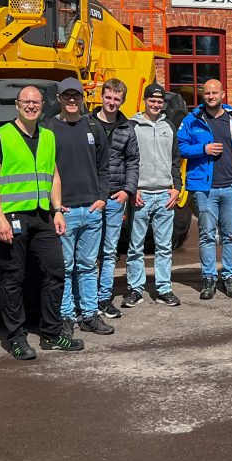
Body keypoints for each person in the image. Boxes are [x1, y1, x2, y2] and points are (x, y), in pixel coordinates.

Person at [0, 85, 82, 358]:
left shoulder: (49, 136)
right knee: (13, 278)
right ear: (17, 104)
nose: (31, 106)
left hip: (42, 216)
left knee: (55, 272)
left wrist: (58, 210)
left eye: (36, 102)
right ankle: (16, 337)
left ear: (42, 105)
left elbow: (55, 176)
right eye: (26, 102)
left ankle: (50, 334)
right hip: (12, 217)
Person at [49, 77, 113, 336]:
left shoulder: (93, 127)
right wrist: (54, 206)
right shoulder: (49, 129)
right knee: (65, 267)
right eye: (67, 96)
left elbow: (104, 166)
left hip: (91, 209)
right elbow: (44, 170)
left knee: (88, 266)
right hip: (65, 211)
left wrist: (102, 197)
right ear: (59, 99)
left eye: (76, 95)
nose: (72, 100)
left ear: (82, 98)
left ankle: (89, 314)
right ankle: (66, 316)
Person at [178, 78, 232, 300]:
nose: (211, 96)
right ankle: (208, 278)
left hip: (230, 186)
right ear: (202, 95)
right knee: (207, 235)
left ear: (222, 94)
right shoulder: (192, 119)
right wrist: (203, 148)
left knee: (230, 235)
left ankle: (229, 277)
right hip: (204, 187)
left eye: (214, 93)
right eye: (207, 93)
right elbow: (181, 147)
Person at [123, 83, 183, 308]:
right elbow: (127, 159)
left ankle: (164, 288)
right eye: (152, 100)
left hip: (165, 194)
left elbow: (175, 160)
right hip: (141, 195)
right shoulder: (133, 125)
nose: (156, 104)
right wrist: (132, 188)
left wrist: (176, 187)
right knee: (135, 245)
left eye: (159, 101)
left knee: (164, 246)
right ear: (145, 101)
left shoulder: (169, 126)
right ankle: (135, 288)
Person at [91, 78, 139, 320]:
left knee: (109, 251)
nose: (111, 102)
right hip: (90, 198)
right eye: (108, 97)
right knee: (89, 253)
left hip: (114, 196)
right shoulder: (87, 125)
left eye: (116, 99)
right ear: (102, 96)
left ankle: (104, 298)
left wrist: (128, 191)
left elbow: (133, 162)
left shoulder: (126, 128)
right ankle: (88, 300)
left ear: (122, 101)